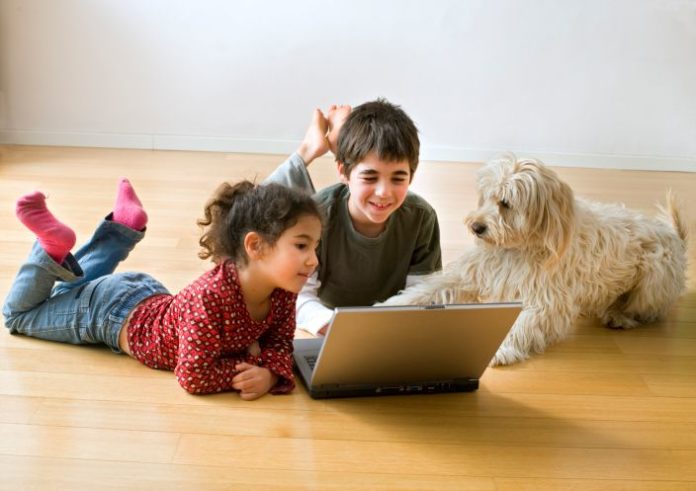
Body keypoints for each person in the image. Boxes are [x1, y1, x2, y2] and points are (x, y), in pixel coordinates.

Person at [3, 179, 323, 400]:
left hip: (143, 295)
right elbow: (193, 375)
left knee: (70, 292)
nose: (313, 261)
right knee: (18, 316)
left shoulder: (283, 290)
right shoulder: (212, 296)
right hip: (109, 314)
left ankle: (122, 229)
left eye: (315, 247)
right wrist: (254, 367)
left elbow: (280, 344)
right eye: (301, 246)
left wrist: (270, 374)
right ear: (255, 246)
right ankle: (50, 247)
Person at [266, 98, 442, 335]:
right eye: (370, 177)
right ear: (343, 172)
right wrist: (339, 329)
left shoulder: (422, 217)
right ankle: (309, 148)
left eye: (398, 178)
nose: (384, 192)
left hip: (392, 330)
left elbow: (423, 294)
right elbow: (298, 297)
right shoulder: (318, 216)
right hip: (331, 325)